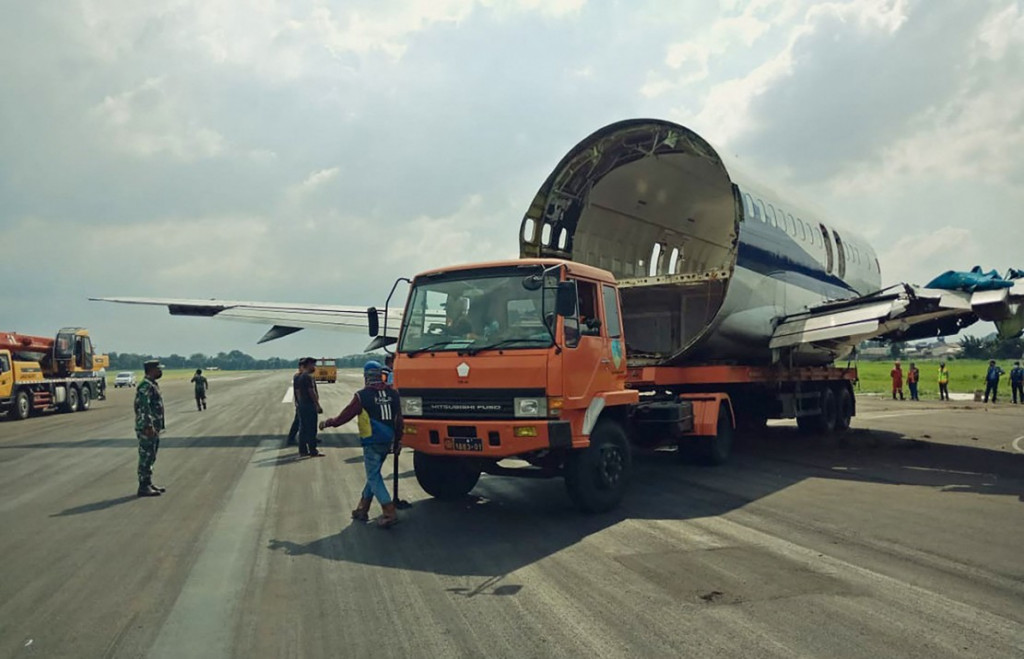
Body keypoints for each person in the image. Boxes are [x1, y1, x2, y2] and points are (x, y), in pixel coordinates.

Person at [320, 360, 403, 528]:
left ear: (366, 377)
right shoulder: (393, 393)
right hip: (388, 441)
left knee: (373, 477)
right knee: (374, 475)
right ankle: (362, 509)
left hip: (371, 441)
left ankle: (389, 512)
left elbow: (344, 417)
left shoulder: (362, 396)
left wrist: (328, 423)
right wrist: (398, 440)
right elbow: (399, 420)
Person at [134, 360, 166, 497]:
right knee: (146, 456)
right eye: (158, 369)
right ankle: (143, 486)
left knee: (151, 455)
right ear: (151, 370)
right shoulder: (145, 386)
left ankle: (148, 482)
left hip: (153, 427)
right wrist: (148, 425)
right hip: (147, 428)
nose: (160, 371)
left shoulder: (151, 385)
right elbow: (143, 407)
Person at [295, 357, 324, 457]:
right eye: (313, 365)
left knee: (303, 429)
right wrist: (317, 405)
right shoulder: (308, 377)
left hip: (302, 405)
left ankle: (302, 450)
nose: (314, 367)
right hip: (309, 405)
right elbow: (311, 391)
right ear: (308, 365)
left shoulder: (300, 376)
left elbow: (298, 392)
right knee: (312, 429)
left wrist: (298, 404)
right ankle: (313, 450)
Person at [286, 360, 303, 446]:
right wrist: (299, 402)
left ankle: (311, 437)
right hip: (302, 403)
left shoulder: (304, 376)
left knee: (304, 421)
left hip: (303, 402)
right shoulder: (298, 377)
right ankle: (291, 438)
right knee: (298, 421)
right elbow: (297, 391)